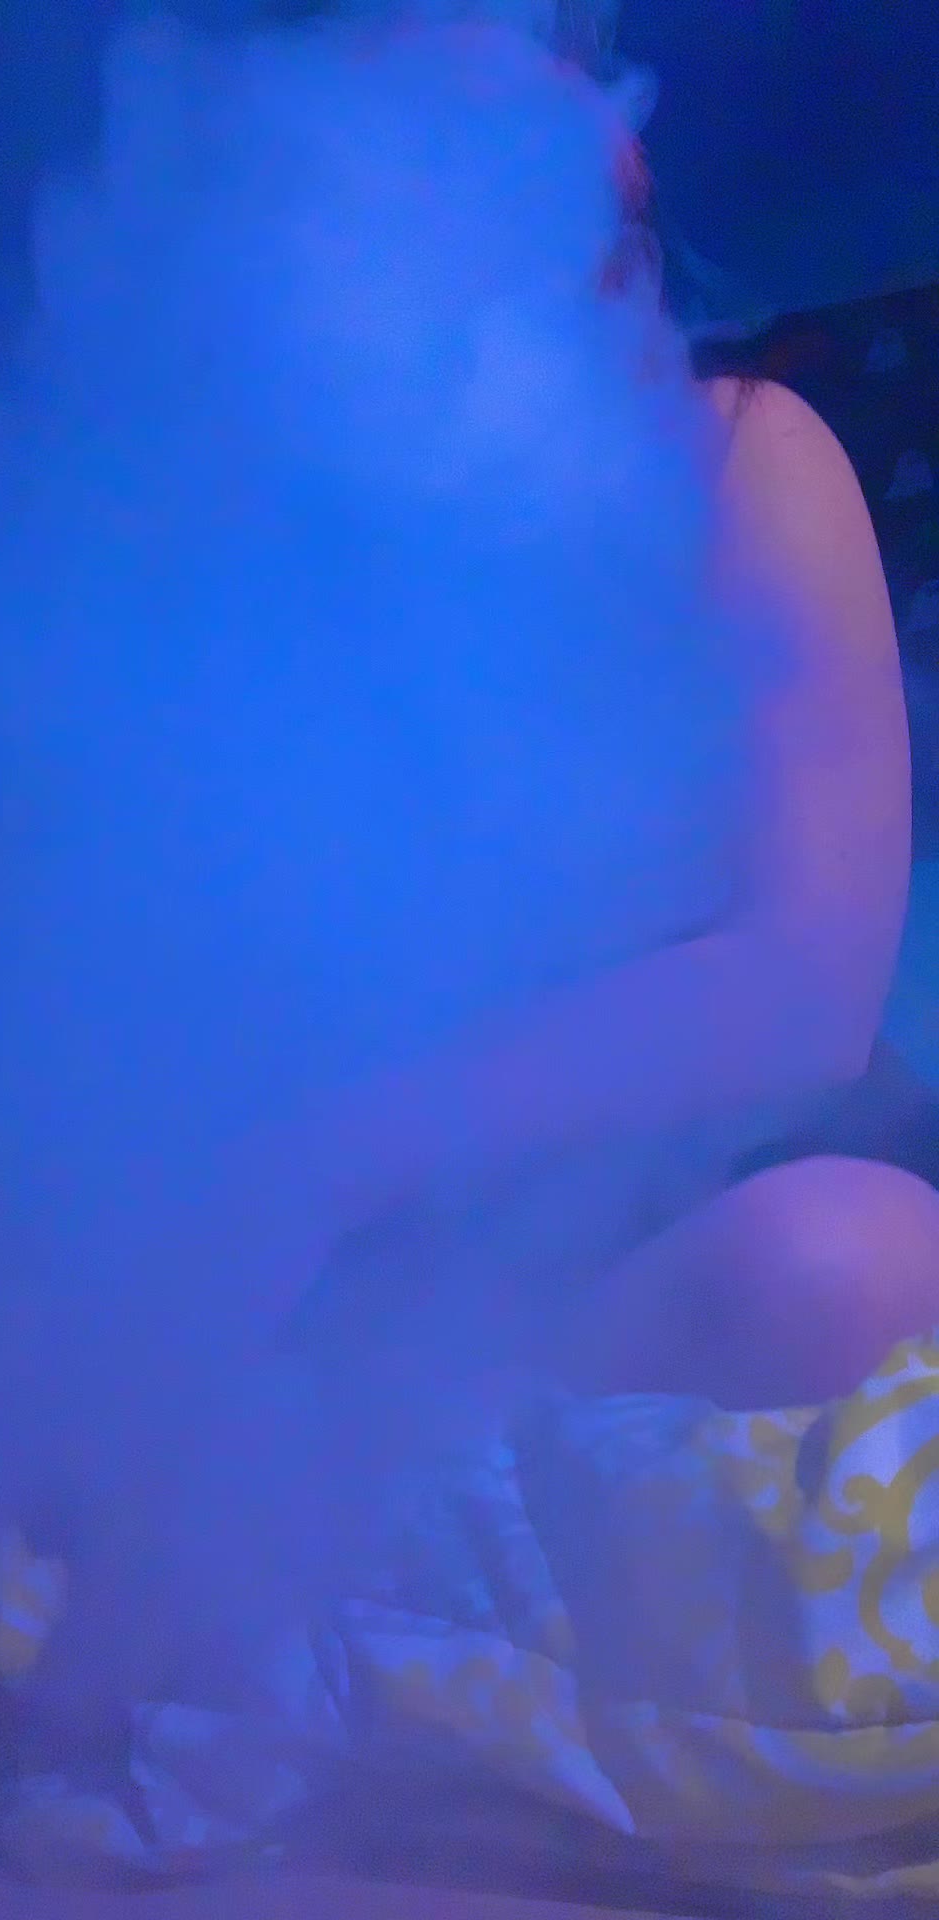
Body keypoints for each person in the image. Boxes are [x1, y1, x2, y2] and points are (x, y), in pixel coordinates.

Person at [275, 143, 939, 1415]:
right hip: (446, 1252)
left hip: (744, 1177)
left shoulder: (737, 453)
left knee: (833, 1264)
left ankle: (412, 1429)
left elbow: (807, 992)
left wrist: (340, 1152)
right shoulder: (291, 561)